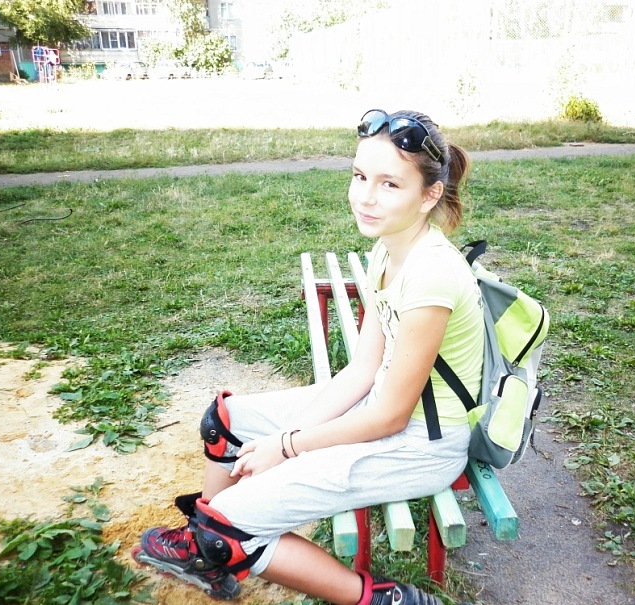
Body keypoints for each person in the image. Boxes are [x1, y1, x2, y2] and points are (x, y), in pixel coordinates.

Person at [133, 109, 484, 605]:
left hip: (419, 444)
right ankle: (206, 547)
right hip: (379, 410)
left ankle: (380, 598)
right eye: (360, 176)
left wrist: (289, 447)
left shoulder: (431, 275)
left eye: (389, 184)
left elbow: (391, 416)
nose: (365, 196)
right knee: (224, 421)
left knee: (225, 534)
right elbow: (362, 370)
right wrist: (284, 437)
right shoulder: (390, 249)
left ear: (429, 195)